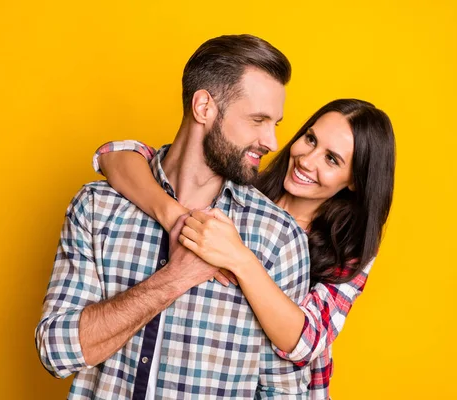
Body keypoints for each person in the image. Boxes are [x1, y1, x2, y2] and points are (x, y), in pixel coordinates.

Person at [36, 34, 313, 399]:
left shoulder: (277, 238)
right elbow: (56, 352)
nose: (273, 141)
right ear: (203, 107)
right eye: (258, 120)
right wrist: (173, 279)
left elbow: (285, 390)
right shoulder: (98, 208)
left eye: (274, 123)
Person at [93, 98, 396, 399]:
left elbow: (306, 342)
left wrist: (240, 259)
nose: (307, 160)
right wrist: (176, 218)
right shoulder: (242, 186)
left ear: (356, 180)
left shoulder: (351, 250)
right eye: (310, 139)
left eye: (332, 159)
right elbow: (115, 155)